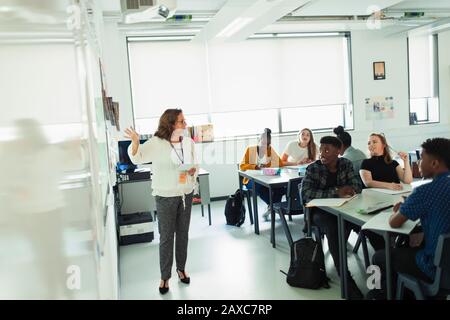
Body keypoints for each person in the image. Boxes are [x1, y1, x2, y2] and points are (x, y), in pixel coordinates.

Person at [125, 109, 199, 295]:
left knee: (183, 234)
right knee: (166, 237)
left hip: (185, 194)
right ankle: (165, 277)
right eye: (182, 121)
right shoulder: (157, 143)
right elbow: (137, 157)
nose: (185, 124)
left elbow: (194, 164)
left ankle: (181, 269)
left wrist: (192, 172)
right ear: (171, 124)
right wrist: (135, 142)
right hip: (165, 196)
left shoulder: (188, 143)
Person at [369, 138, 450, 299]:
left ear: (434, 164)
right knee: (407, 246)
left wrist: (399, 210)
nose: (418, 163)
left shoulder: (425, 191)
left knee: (378, 257)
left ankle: (378, 292)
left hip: (435, 268)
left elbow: (395, 222)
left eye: (421, 159)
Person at [300, 136, 365, 299]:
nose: (322, 153)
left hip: (345, 209)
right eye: (321, 149)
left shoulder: (346, 164)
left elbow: (357, 185)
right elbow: (306, 194)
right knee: (334, 227)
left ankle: (385, 276)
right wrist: (336, 191)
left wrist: (350, 189)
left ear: (338, 151)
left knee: (366, 225)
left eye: (327, 149)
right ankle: (346, 280)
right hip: (318, 213)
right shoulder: (313, 168)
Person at [240, 128, 286, 221]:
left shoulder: (269, 149)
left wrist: (267, 165)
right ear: (259, 141)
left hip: (266, 178)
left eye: (267, 144)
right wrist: (255, 166)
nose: (265, 146)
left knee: (280, 188)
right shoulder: (250, 150)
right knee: (260, 187)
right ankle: (274, 207)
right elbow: (242, 166)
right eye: (263, 143)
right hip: (251, 180)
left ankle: (271, 207)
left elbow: (280, 163)